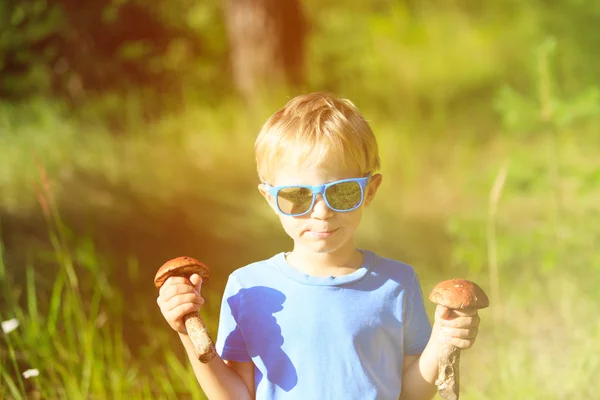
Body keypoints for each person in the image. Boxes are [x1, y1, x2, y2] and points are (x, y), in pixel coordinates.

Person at [156, 92, 482, 400]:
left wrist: (443, 338)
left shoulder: (396, 283)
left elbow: (410, 393)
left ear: (369, 191)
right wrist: (187, 329)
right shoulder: (248, 287)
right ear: (270, 198)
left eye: (342, 192)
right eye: (297, 196)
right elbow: (237, 395)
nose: (322, 211)